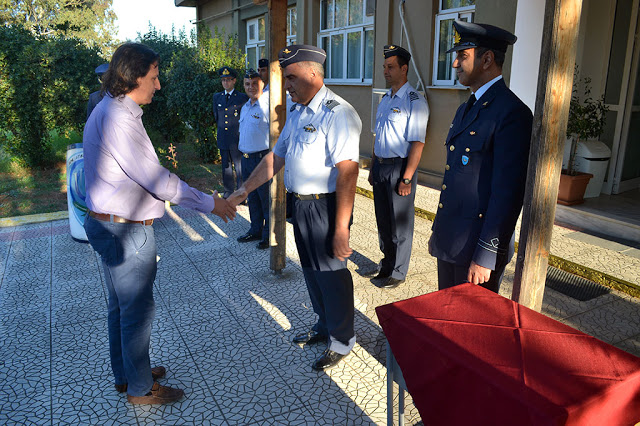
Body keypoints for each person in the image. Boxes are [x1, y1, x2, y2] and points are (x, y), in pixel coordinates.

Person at [83, 42, 236, 405]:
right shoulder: (119, 118)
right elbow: (158, 180)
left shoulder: (112, 109)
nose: (159, 84)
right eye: (154, 77)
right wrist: (209, 203)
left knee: (121, 307)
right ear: (135, 77)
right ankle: (139, 388)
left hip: (110, 224)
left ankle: (128, 374)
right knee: (136, 311)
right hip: (125, 230)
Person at [228, 45, 361, 371]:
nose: (285, 85)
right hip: (301, 206)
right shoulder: (300, 112)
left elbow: (348, 172)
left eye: (290, 77)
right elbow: (276, 157)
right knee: (313, 272)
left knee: (332, 275)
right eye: (285, 78)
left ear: (313, 73)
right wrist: (245, 189)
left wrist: (342, 227)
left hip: (327, 208)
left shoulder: (337, 113)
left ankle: (342, 339)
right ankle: (323, 324)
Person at [428, 20, 533, 293]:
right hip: (451, 240)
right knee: (448, 320)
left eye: (462, 56)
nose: (455, 64)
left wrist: (486, 254)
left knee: (470, 331)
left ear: (487, 59)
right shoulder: (466, 107)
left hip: (476, 248)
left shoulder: (512, 113)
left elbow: (507, 193)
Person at [368, 45, 429, 289]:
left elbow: (417, 142)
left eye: (390, 67)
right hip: (381, 166)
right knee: (383, 220)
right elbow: (378, 136)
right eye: (384, 66)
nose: (386, 71)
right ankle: (386, 263)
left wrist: (406, 178)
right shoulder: (385, 99)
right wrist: (373, 167)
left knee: (400, 224)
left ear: (404, 69)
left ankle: (398, 271)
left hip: (399, 168)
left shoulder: (415, 101)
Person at [237, 69, 271, 249]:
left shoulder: (267, 106)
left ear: (262, 84)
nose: (251, 87)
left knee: (266, 199)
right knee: (252, 198)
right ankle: (255, 229)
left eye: (255, 83)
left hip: (261, 158)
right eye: (247, 84)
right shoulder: (246, 106)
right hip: (247, 158)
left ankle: (268, 236)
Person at [213, 66, 249, 198]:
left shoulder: (242, 97)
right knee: (226, 167)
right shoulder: (217, 97)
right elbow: (217, 117)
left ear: (234, 81)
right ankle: (228, 191)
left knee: (239, 167)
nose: (226, 83)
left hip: (237, 138)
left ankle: (241, 193)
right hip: (223, 137)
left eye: (228, 80)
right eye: (223, 80)